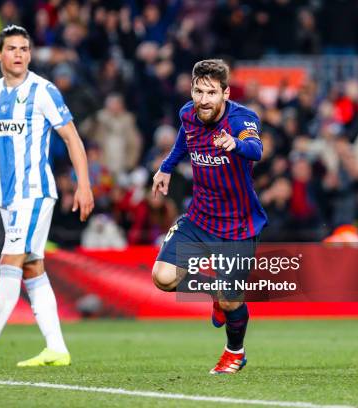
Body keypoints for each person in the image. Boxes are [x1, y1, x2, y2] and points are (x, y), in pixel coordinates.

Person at [0, 25, 94, 367]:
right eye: (12, 48)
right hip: (8, 197)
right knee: (32, 268)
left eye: (24, 49)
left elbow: (73, 138)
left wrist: (84, 184)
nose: (19, 54)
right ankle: (56, 348)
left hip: (35, 192)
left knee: (9, 261)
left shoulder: (44, 91)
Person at [151, 59, 267, 375]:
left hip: (238, 225)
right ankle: (213, 290)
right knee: (162, 277)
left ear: (225, 93)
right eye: (198, 91)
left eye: (212, 92)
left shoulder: (243, 118)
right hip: (200, 218)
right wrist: (166, 167)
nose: (204, 99)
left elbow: (256, 148)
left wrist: (237, 145)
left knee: (231, 302)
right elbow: (183, 141)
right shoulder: (188, 113)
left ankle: (235, 352)